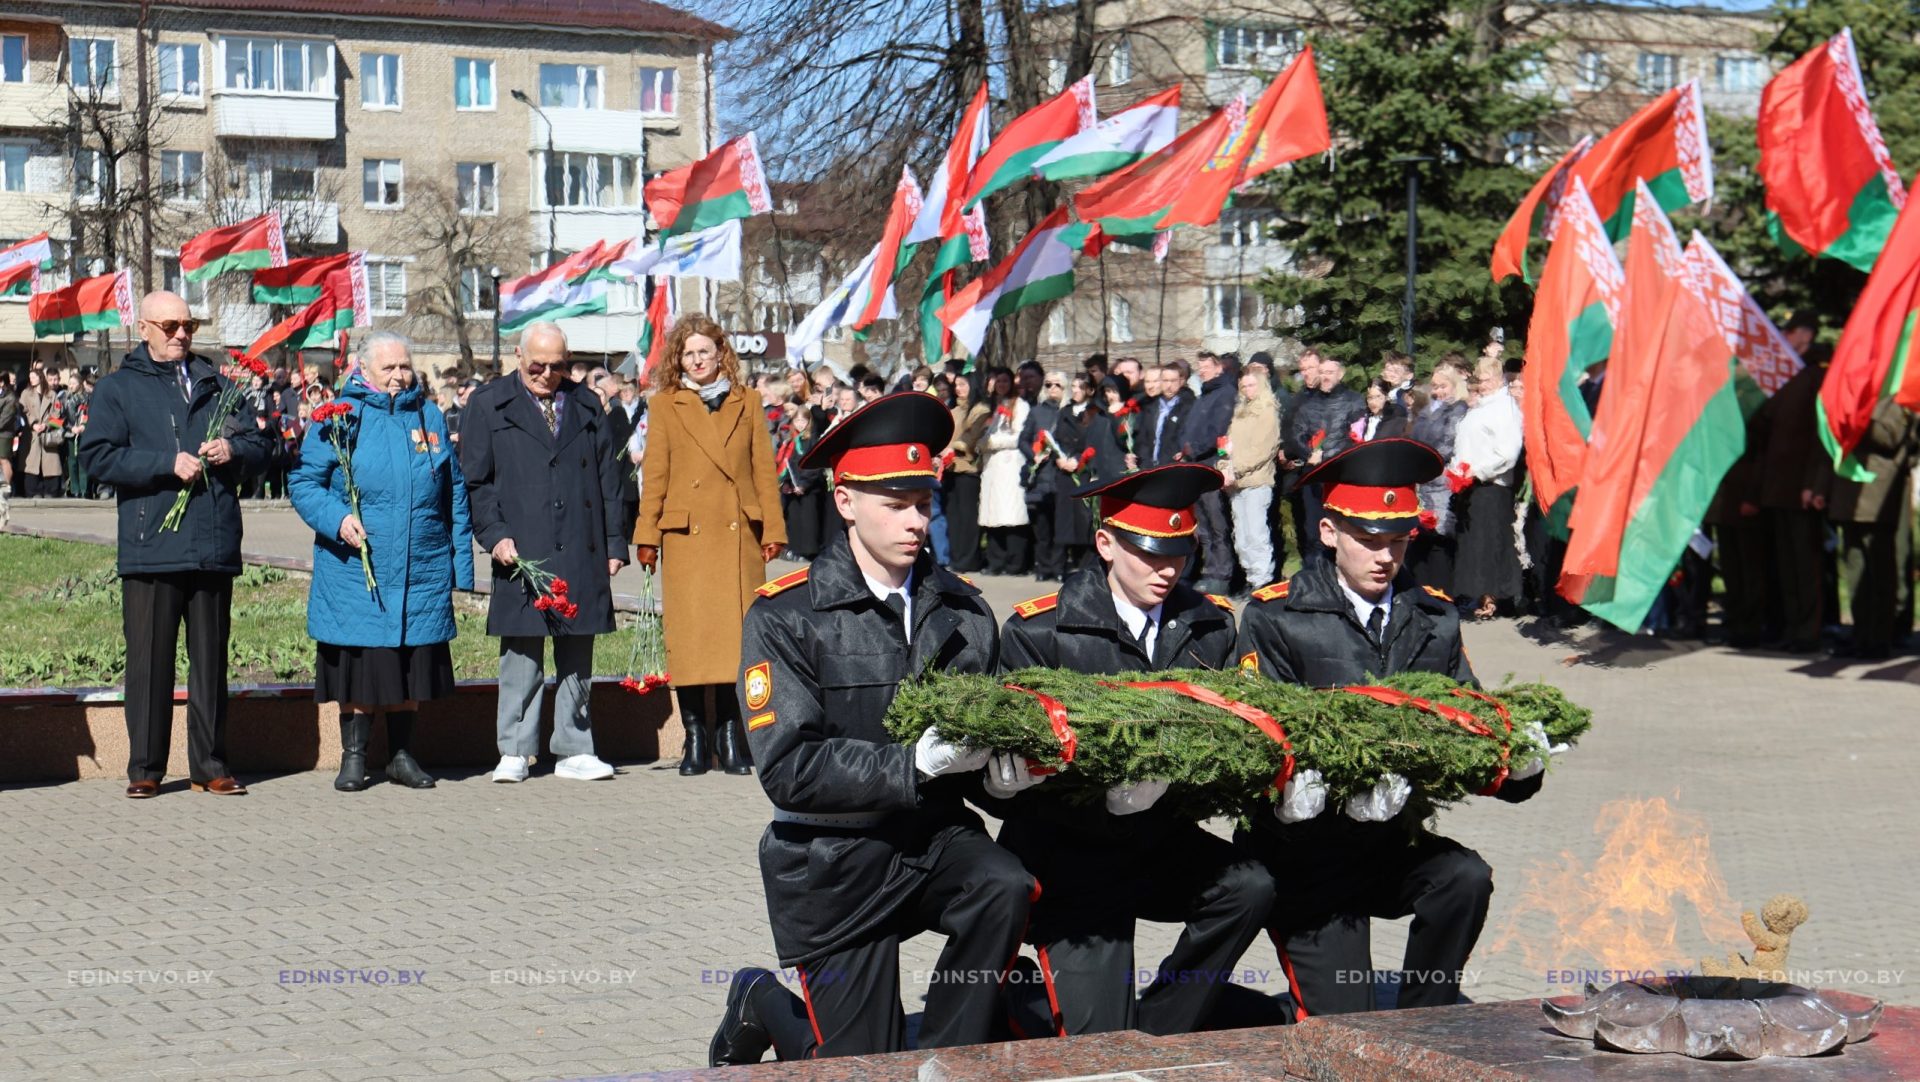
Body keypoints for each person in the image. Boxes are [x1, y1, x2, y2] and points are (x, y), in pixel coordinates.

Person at [708, 393, 1032, 1062]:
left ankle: (947, 1061)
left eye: (923, 500)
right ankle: (763, 1001)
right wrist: (911, 764)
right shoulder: (786, 616)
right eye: (895, 502)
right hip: (831, 861)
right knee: (857, 1066)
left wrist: (1009, 780)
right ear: (846, 500)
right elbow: (788, 769)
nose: (916, 519)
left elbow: (981, 760)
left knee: (1005, 884)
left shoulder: (965, 611)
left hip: (931, 842)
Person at [1236, 438, 1548, 1017]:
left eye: (1399, 540)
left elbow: (1468, 721)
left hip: (1388, 842)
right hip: (1305, 853)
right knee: (1346, 1025)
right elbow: (1254, 738)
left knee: (1464, 876)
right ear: (1329, 533)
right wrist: (1298, 794)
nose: (1386, 556)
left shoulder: (1432, 616)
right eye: (1369, 540)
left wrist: (1516, 765)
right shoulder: (1275, 615)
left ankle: (1426, 1020)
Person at [995, 464, 1276, 1036]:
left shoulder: (1210, 625)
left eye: (1179, 552)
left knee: (1249, 886)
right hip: (1068, 856)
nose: (1166, 569)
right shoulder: (1038, 633)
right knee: (1097, 1042)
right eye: (1148, 552)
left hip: (1157, 843)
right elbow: (1018, 784)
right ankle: (1019, 998)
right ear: (1105, 543)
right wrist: (1103, 800)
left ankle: (1159, 1024)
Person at [79, 292, 272, 798]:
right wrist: (167, 462)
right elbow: (97, 456)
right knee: (149, 661)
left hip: (212, 544)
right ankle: (145, 767)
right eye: (169, 325)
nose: (181, 333)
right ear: (144, 327)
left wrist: (232, 449)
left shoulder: (218, 384)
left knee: (210, 661)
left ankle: (210, 766)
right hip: (151, 544)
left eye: (187, 323)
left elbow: (262, 446)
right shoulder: (118, 388)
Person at [289, 332, 472, 792]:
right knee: (360, 662)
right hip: (356, 567)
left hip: (419, 565)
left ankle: (401, 756)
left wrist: (460, 567)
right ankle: (353, 757)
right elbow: (305, 482)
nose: (398, 376)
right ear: (363, 370)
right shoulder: (338, 418)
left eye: (404, 366)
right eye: (388, 368)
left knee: (411, 663)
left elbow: (454, 492)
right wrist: (338, 519)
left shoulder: (427, 415)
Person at [461, 322, 628, 784]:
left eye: (557, 366)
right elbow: (476, 482)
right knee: (522, 649)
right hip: (521, 542)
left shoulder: (586, 403)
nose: (547, 374)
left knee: (577, 648)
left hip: (579, 538)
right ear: (518, 355)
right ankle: (515, 748)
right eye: (538, 365)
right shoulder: (489, 403)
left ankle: (574, 746)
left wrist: (615, 543)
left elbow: (608, 482)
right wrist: (494, 535)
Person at [633, 315, 788, 776]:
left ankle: (730, 735)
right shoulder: (665, 405)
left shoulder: (749, 401)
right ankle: (695, 739)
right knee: (692, 642)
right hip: (687, 538)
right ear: (677, 359)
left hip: (738, 535)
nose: (697, 360)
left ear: (721, 352)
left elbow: (764, 470)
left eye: (705, 351)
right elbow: (654, 476)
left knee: (735, 643)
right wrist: (647, 536)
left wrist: (774, 529)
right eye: (688, 353)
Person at [1825, 397, 1918, 659]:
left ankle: (1880, 638)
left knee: (1879, 570)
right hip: (1849, 489)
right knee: (1855, 566)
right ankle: (1861, 634)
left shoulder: (1894, 398)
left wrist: (1858, 416)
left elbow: (1890, 437)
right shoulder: (1856, 395)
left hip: (1878, 491)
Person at [1051, 373, 1128, 572]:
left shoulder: (1123, 413)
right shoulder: (1098, 414)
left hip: (1117, 473)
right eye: (1108, 391)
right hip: (1097, 472)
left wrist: (1116, 415)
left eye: (1114, 391)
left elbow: (1124, 440)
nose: (1111, 396)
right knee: (1093, 521)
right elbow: (1089, 444)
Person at [1404, 365, 1468, 590]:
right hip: (1423, 479)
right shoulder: (1427, 411)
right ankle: (1424, 589)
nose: (1438, 391)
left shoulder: (1458, 409)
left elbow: (1448, 442)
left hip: (1442, 478)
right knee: (1423, 537)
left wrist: (1426, 459)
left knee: (1441, 537)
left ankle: (1443, 591)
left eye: (1443, 386)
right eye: (1435, 386)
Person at [1227, 365, 1283, 593]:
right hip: (1236, 483)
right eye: (1244, 386)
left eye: (1252, 385)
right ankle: (1251, 577)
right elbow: (1227, 446)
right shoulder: (1240, 413)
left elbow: (1262, 450)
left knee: (1256, 533)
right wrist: (1224, 468)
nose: (1248, 390)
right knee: (1241, 535)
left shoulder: (1268, 412)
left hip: (1257, 481)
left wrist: (1236, 469)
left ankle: (1263, 580)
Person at [978, 368, 1033, 574]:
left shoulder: (1020, 405)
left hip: (1010, 465)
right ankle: (996, 562)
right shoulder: (992, 406)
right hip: (992, 466)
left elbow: (1019, 436)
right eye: (996, 381)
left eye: (1004, 380)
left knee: (1012, 517)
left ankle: (1015, 564)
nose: (1000, 384)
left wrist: (992, 442)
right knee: (993, 518)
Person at [1019, 369, 1067, 581]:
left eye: (1057, 385)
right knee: (1041, 524)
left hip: (1061, 475)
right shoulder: (1037, 412)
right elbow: (1023, 439)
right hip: (1040, 475)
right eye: (1048, 385)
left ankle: (1058, 568)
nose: (1052, 389)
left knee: (1060, 523)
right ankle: (1043, 567)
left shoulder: (1069, 412)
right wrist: (1034, 454)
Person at [942, 374, 989, 572]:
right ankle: (956, 557)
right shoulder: (953, 411)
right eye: (956, 385)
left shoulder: (980, 410)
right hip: (950, 469)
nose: (958, 388)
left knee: (968, 517)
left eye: (963, 384)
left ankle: (969, 559)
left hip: (969, 470)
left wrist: (953, 449)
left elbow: (971, 437)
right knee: (953, 516)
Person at [19, 366, 64, 498]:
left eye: (34, 377)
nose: (31, 379)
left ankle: (50, 491)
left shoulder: (52, 395)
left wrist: (46, 425)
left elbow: (58, 415)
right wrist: (33, 424)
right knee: (31, 464)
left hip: (47, 435)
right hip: (31, 435)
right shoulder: (26, 394)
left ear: (40, 377)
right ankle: (33, 491)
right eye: (30, 377)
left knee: (50, 463)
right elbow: (23, 412)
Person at [1139, 363, 1191, 468]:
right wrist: (1145, 463)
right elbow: (1143, 439)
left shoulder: (1187, 407)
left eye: (1173, 381)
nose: (1169, 385)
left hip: (1172, 467)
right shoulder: (1152, 407)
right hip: (1149, 468)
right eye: (1165, 381)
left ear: (1180, 382)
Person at [1358, 378, 1409, 443]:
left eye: (1378, 396)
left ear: (1387, 397)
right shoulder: (1364, 418)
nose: (1373, 402)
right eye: (1370, 397)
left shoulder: (1395, 416)